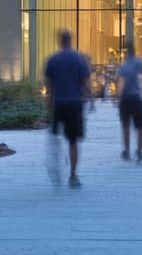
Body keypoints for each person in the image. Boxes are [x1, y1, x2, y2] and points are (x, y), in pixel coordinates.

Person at [43, 29, 92, 188]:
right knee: (73, 140)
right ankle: (73, 175)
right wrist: (90, 99)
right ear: (70, 40)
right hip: (74, 104)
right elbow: (85, 81)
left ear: (59, 41)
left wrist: (49, 102)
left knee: (56, 136)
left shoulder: (53, 59)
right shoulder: (79, 59)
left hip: (59, 103)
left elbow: (48, 85)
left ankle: (57, 163)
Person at [115, 40, 142, 163]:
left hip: (126, 99)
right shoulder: (141, 63)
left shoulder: (124, 66)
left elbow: (121, 83)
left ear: (126, 52)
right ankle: (139, 152)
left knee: (126, 126)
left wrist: (118, 98)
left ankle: (127, 151)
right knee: (140, 127)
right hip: (138, 98)